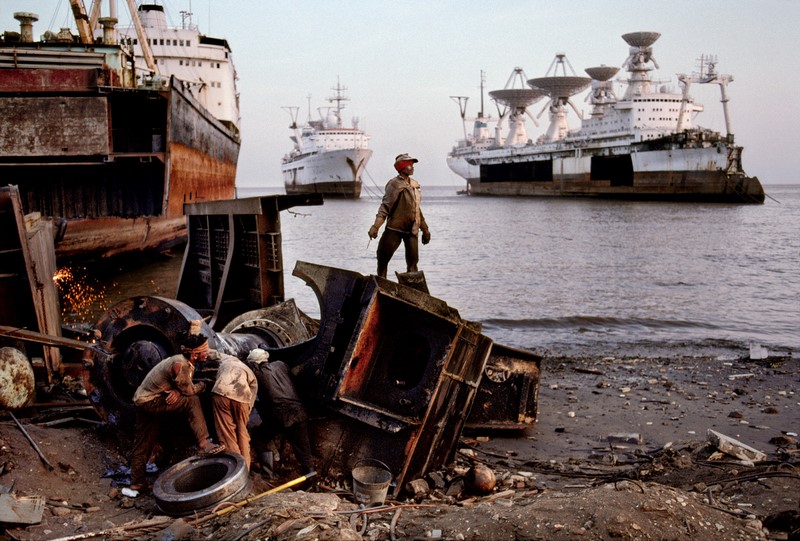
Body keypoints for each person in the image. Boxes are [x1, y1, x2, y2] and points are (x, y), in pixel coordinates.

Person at [129, 326, 225, 491]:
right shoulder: (182, 365)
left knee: (144, 442)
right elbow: (190, 391)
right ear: (194, 354)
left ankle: (136, 482)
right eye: (204, 351)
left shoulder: (180, 360)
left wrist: (176, 390)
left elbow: (179, 384)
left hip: (144, 400)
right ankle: (203, 442)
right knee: (192, 401)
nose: (207, 353)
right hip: (151, 402)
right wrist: (206, 384)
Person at [245, 348, 314, 476]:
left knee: (259, 436)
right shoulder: (280, 364)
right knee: (303, 448)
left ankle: (268, 474)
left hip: (282, 416)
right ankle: (310, 477)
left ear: (254, 364)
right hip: (299, 412)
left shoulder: (258, 375)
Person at [368, 153, 431, 278]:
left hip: (412, 230)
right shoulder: (394, 184)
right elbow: (385, 208)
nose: (412, 167)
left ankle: (413, 290)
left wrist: (425, 229)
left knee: (413, 265)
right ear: (401, 167)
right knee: (382, 259)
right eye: (409, 165)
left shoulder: (414, 185)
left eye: (412, 165)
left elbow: (417, 209)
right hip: (394, 229)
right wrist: (375, 227)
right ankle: (381, 284)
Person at [211, 354, 258, 470]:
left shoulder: (225, 361)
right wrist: (246, 412)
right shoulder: (248, 370)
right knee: (242, 433)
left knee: (227, 435)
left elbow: (213, 353)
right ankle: (245, 470)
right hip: (242, 397)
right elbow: (252, 392)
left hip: (221, 393)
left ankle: (234, 471)